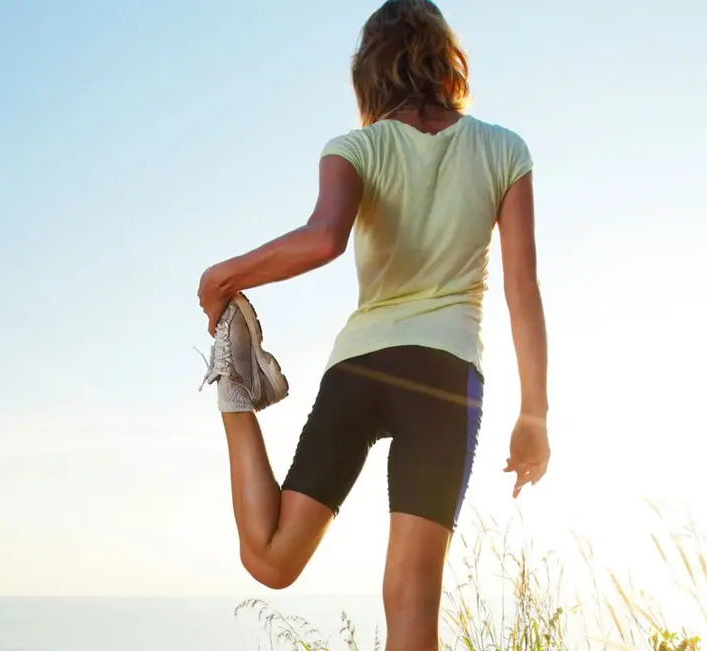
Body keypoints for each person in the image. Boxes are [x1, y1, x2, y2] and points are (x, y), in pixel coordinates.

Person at [193, 1, 549, 649]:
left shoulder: (355, 148)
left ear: (370, 72)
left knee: (271, 558)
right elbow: (522, 290)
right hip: (447, 375)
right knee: (413, 599)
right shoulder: (505, 149)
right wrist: (535, 414)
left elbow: (323, 238)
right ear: (447, 60)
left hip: (365, 363)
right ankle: (233, 384)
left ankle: (232, 385)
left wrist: (225, 275)